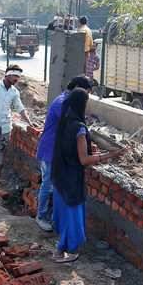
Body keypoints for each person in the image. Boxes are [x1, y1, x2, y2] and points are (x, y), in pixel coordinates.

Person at [50, 89, 126, 263]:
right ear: (81, 104)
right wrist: (112, 155)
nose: (87, 105)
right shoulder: (79, 128)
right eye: (86, 101)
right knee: (73, 214)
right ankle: (64, 250)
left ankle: (61, 247)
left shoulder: (64, 122)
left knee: (65, 213)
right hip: (72, 179)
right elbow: (84, 159)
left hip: (60, 176)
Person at [34, 76, 93, 232]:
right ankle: (41, 216)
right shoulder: (63, 103)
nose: (86, 99)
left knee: (57, 186)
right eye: (85, 94)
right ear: (77, 88)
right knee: (48, 185)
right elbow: (72, 127)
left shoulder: (68, 101)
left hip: (59, 151)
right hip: (50, 149)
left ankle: (55, 218)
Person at [0, 65, 33, 183]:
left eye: (18, 77)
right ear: (7, 74)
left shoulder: (14, 92)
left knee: (2, 151)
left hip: (5, 126)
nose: (16, 79)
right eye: (14, 76)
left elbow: (20, 107)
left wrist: (29, 122)